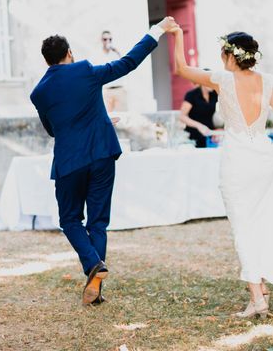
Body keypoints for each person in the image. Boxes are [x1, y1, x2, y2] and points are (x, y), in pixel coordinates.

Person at [169, 27, 273, 318]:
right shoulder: (268, 80)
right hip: (262, 153)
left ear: (230, 56)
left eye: (222, 53)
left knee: (243, 226)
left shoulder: (222, 79)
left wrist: (177, 35)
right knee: (260, 219)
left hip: (237, 158)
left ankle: (257, 298)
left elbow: (180, 68)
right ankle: (261, 285)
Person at [30, 16, 178, 305]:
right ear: (69, 54)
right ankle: (95, 277)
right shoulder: (85, 71)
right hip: (100, 153)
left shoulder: (39, 92)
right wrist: (156, 31)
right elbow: (127, 63)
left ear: (47, 61)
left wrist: (95, 119)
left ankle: (92, 267)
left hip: (69, 161)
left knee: (70, 219)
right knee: (97, 221)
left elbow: (52, 130)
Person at [91, 30, 128, 112]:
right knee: (107, 117)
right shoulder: (97, 55)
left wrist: (116, 51)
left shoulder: (116, 53)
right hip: (106, 90)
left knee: (123, 117)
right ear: (101, 40)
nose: (108, 41)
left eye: (110, 39)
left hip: (119, 89)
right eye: (105, 39)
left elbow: (126, 62)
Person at [179, 79, 218, 148]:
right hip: (194, 135)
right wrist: (199, 126)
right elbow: (182, 116)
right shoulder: (191, 95)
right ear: (203, 83)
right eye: (211, 83)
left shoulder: (214, 94)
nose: (213, 85)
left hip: (209, 134)